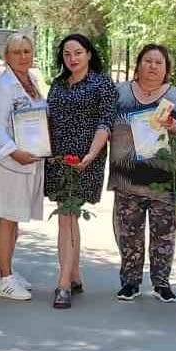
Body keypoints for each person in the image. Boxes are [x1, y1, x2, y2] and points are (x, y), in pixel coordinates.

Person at [108, 43, 176, 303]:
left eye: (159, 63)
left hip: (162, 182)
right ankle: (130, 283)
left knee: (164, 235)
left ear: (166, 68)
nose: (153, 66)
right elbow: (104, 125)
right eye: (148, 61)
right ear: (138, 65)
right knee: (128, 234)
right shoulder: (120, 93)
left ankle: (162, 283)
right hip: (127, 178)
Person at [44, 33, 120, 308]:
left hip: (86, 159)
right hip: (58, 160)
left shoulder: (103, 84)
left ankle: (63, 284)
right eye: (66, 54)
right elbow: (47, 119)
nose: (72, 58)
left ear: (89, 54)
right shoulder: (58, 84)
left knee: (67, 215)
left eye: (77, 53)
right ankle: (74, 275)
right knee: (68, 215)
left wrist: (91, 154)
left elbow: (105, 123)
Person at [0, 32, 47, 301]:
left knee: (15, 218)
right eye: (17, 52)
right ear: (6, 57)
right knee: (7, 219)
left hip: (29, 160)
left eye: (27, 51)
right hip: (8, 162)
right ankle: (6, 279)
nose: (23, 56)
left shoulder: (32, 80)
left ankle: (3, 270)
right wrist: (15, 152)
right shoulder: (2, 86)